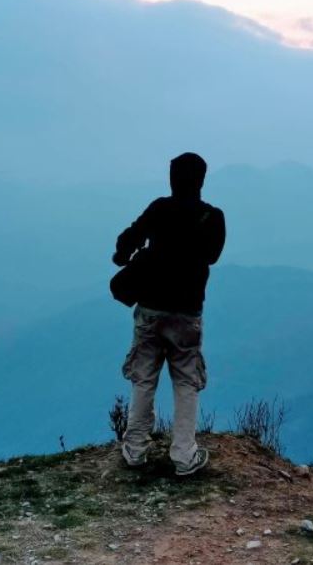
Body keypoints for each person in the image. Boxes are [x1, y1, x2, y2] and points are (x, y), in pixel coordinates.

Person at [112, 152, 226, 476]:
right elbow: (213, 255)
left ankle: (135, 450)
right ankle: (184, 456)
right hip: (187, 312)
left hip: (150, 308)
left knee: (144, 378)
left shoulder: (159, 209)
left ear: (171, 179)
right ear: (201, 181)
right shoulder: (212, 217)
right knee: (186, 381)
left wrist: (125, 256)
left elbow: (127, 240)